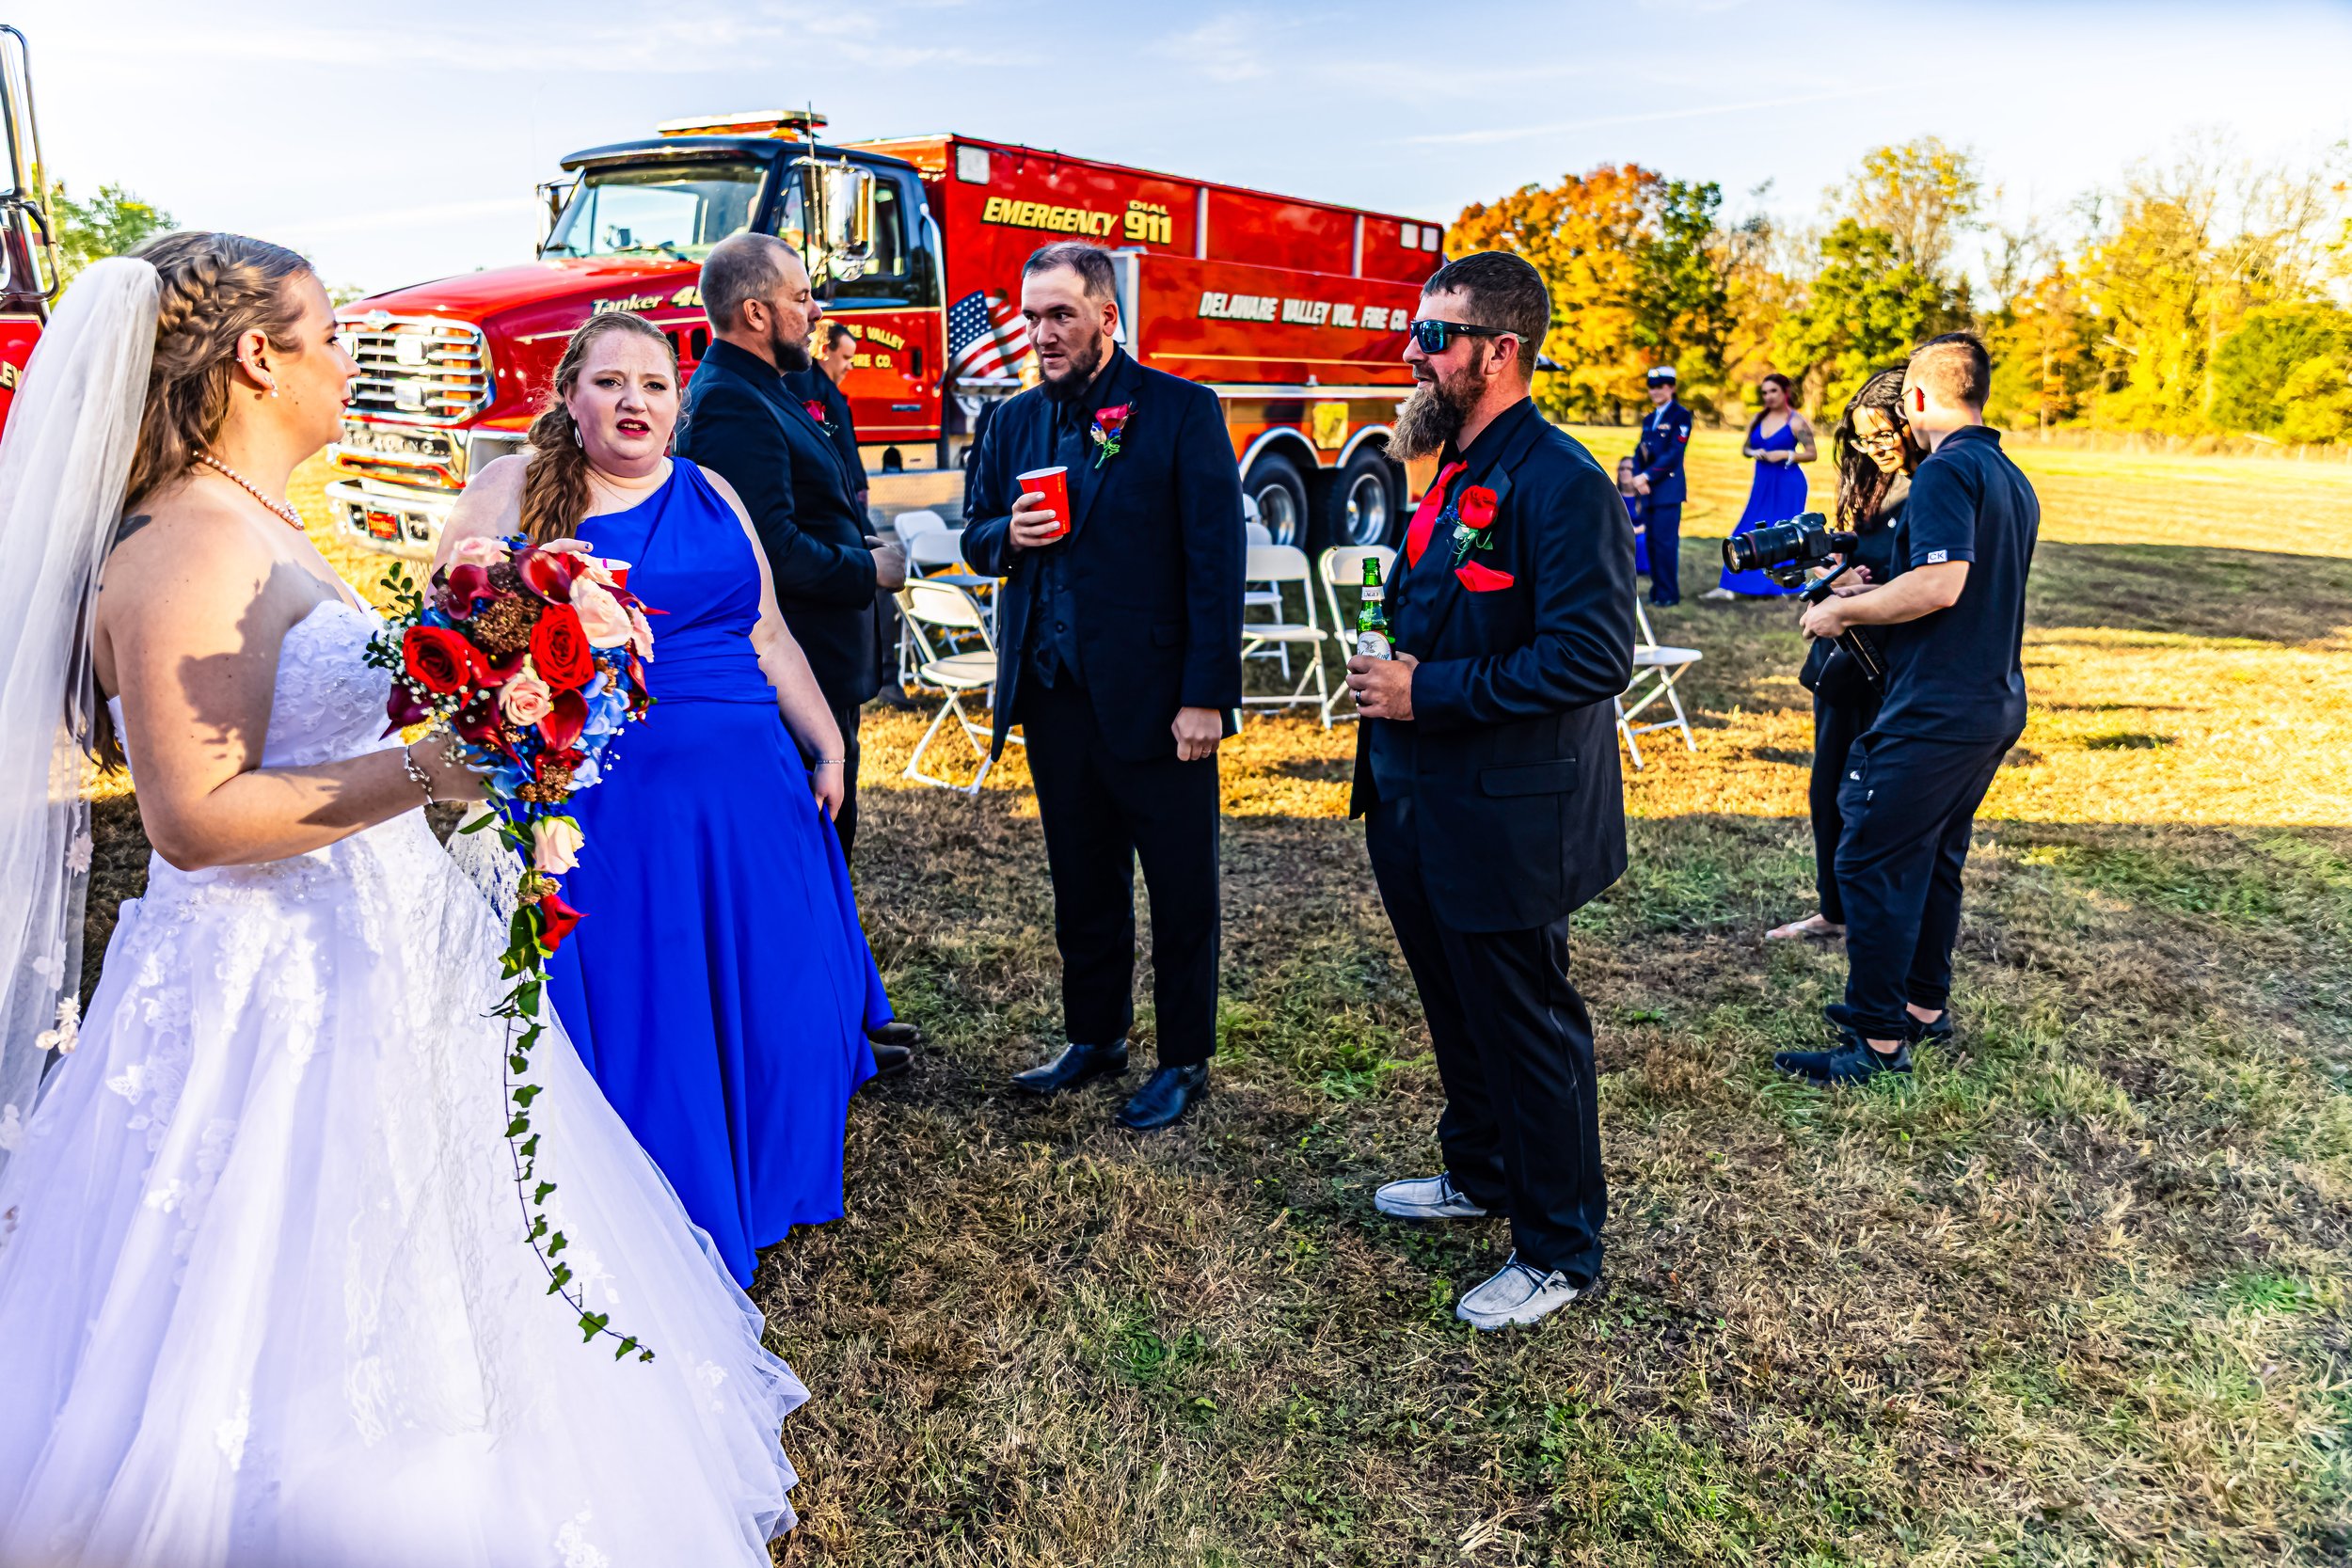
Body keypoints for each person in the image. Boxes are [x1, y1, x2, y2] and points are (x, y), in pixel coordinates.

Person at [0, 238, 804, 1563]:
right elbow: (194, 820)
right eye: (325, 334)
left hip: (377, 940)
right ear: (257, 358)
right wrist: (439, 763)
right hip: (270, 990)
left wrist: (504, 666)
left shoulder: (256, 518)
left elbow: (321, 710)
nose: (345, 360)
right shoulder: (187, 544)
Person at [437, 309, 890, 1286]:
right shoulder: (513, 489)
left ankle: (771, 1173)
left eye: (654, 383)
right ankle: (661, 1203)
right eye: (610, 381)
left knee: (789, 992)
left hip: (753, 789)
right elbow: (456, 644)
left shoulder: (713, 488)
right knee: (660, 1004)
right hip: (612, 802)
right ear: (570, 396)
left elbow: (767, 631)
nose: (634, 400)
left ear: (679, 402)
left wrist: (825, 739)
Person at [1344, 251, 1634, 1331]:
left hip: (1508, 810)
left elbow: (1591, 656)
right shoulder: (1451, 467)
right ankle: (1477, 1171)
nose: (1414, 352)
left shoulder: (1560, 480)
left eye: (1436, 335)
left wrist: (1431, 690)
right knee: (1452, 1002)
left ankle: (1557, 1247)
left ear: (1499, 350)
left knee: (1528, 1023)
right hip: (1415, 798)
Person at [962, 241, 1245, 1132]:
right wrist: (1009, 533)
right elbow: (975, 537)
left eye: (1061, 316)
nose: (1041, 333)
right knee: (1081, 879)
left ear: (1106, 318)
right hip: (1052, 697)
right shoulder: (1009, 423)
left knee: (1180, 886)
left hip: (1161, 702)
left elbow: (1216, 561)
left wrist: (1207, 694)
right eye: (1032, 316)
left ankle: (1185, 1058)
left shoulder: (1180, 411)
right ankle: (1095, 1035)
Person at [677, 233, 920, 1070]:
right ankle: (816, 1036)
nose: (815, 312)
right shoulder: (731, 403)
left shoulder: (775, 388)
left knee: (827, 850)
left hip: (825, 661)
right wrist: (870, 567)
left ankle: (845, 1011)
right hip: (790, 670)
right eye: (802, 297)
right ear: (756, 312)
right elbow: (766, 548)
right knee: (802, 849)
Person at [1776, 334, 2039, 1085]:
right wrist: (1869, 590)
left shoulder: (1947, 470)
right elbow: (1954, 588)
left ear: (1916, 400)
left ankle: (1879, 1040)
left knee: (1871, 859)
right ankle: (1924, 1005)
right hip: (1992, 700)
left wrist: (1840, 614)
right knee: (1933, 858)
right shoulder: (2006, 472)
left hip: (1938, 707)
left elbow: (1941, 585)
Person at [1766, 367, 1915, 943]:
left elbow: (1925, 583)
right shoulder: (1874, 487)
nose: (1874, 449)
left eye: (1883, 435)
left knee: (1870, 796)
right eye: (1862, 439)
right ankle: (1834, 911)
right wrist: (1836, 574)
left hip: (1895, 670)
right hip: (1844, 663)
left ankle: (1875, 915)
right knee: (1826, 787)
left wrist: (1862, 592)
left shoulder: (1932, 488)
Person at [1707, 372, 1817, 599]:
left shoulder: (1795, 421)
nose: (1768, 396)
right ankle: (1731, 586)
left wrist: (1785, 454)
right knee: (1747, 528)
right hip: (1763, 483)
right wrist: (1753, 452)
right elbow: (1745, 448)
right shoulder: (1757, 418)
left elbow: (1812, 454)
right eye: (1764, 392)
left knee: (1784, 533)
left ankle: (1783, 586)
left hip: (1788, 483)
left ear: (1785, 392)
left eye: (1773, 391)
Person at [787, 320, 866, 516]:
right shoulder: (805, 379)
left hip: (846, 488)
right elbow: (810, 428)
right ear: (824, 350)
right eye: (846, 358)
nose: (850, 367)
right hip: (837, 493)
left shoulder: (823, 384)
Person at [1627, 365, 1692, 605]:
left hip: (1667, 491)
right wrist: (1636, 475)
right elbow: (1639, 451)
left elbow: (1674, 453)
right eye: (1651, 387)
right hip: (1648, 491)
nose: (1654, 391)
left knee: (1665, 544)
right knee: (1652, 543)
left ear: (1671, 388)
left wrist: (1647, 476)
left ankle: (1668, 594)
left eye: (1660, 387)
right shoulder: (1650, 418)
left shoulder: (1680, 415)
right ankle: (1658, 590)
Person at [1617, 454, 1649, 578]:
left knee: (1642, 541)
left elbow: (1650, 522)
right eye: (1622, 469)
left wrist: (1635, 531)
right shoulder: (1614, 494)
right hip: (1619, 532)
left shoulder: (1644, 496)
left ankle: (1641, 571)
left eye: (1629, 469)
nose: (1624, 472)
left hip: (1639, 532)